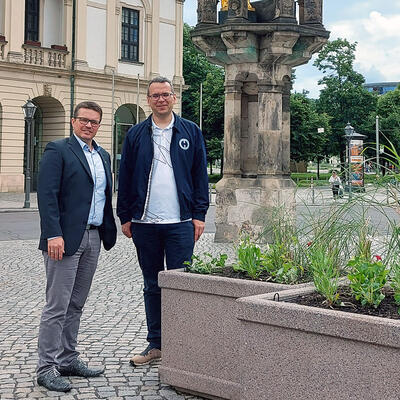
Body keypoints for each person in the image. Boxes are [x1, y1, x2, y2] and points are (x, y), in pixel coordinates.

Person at [117, 76, 209, 366]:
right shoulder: (135, 134)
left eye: (165, 94)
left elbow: (199, 176)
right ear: (148, 100)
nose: (160, 99)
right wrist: (125, 216)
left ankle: (182, 345)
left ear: (174, 98)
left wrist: (199, 214)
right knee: (151, 284)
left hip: (180, 221)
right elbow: (126, 176)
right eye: (155, 95)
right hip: (144, 223)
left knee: (181, 283)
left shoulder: (190, 131)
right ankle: (156, 344)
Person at [36, 101, 117, 392]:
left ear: (99, 124)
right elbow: (47, 196)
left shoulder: (103, 155)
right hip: (64, 240)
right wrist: (52, 235)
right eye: (83, 120)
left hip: (93, 237)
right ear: (73, 121)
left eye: (94, 121)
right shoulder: (58, 150)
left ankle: (68, 358)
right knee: (57, 306)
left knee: (76, 304)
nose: (88, 125)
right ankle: (46, 368)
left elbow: (103, 196)